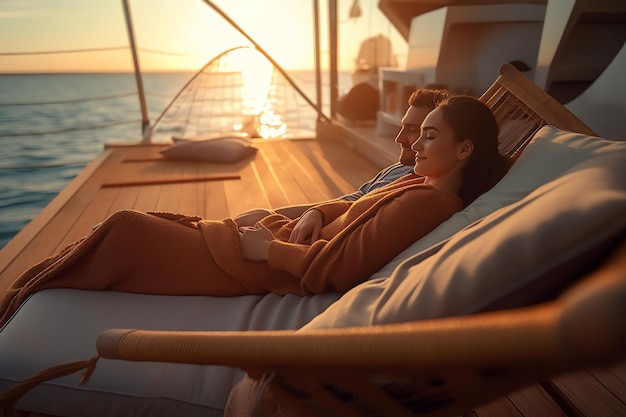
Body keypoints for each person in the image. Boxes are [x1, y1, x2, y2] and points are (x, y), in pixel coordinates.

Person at [0, 95, 510, 327]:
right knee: (134, 227)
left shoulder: (429, 202)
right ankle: (24, 298)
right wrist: (321, 211)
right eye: (419, 134)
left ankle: (20, 304)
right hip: (265, 247)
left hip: (256, 265)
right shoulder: (421, 184)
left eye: (429, 135)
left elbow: (340, 268)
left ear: (465, 149)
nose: (414, 144)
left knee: (123, 230)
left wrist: (270, 249)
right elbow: (356, 212)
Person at [233, 87, 449, 226]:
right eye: (403, 127)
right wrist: (281, 213)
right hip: (324, 217)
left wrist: (312, 215)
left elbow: (356, 217)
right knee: (254, 216)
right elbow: (355, 199)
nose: (399, 138)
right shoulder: (403, 168)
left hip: (319, 233)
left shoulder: (414, 185)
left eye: (413, 130)